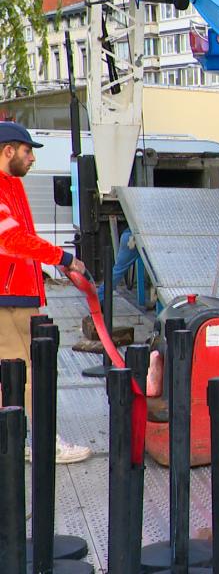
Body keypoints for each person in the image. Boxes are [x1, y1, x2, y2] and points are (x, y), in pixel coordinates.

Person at [0, 122, 92, 463]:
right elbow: (12, 240)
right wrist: (64, 258)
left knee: (15, 371)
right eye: (27, 152)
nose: (32, 160)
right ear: (8, 151)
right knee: (25, 372)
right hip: (8, 298)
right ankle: (41, 443)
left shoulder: (12, 186)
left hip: (17, 294)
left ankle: (20, 439)